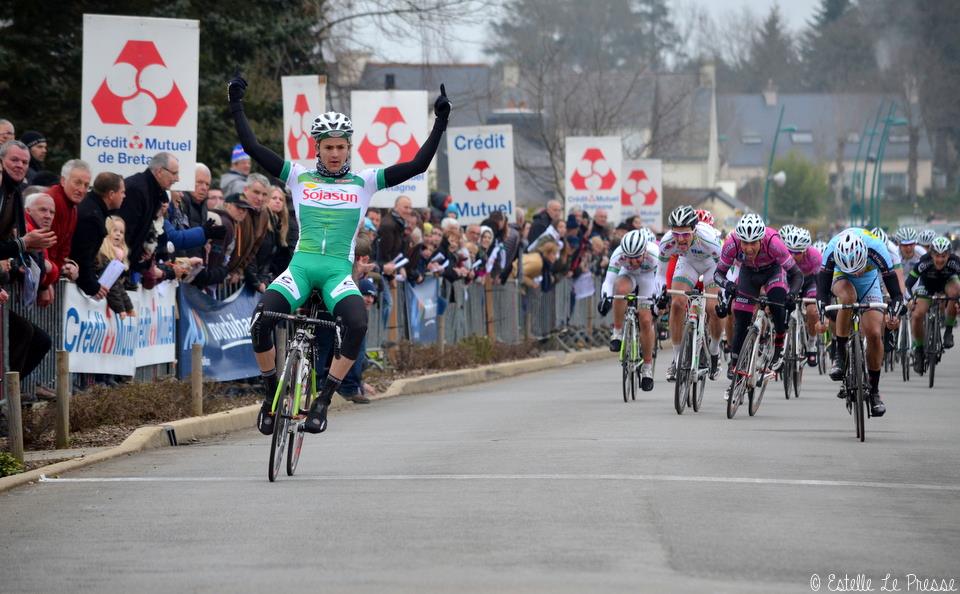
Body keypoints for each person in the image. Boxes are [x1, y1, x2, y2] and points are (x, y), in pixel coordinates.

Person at [229, 70, 451, 435]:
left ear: (349, 147)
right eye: (328, 147)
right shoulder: (298, 176)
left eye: (340, 146)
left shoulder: (364, 181)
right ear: (317, 148)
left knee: (357, 324)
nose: (334, 153)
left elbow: (417, 165)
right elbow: (253, 149)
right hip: (300, 269)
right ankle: (270, 396)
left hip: (336, 274)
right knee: (261, 319)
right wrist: (236, 102)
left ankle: (324, 400)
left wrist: (439, 121)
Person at [816, 228, 903, 417]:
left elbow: (896, 294)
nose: (855, 274)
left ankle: (874, 391)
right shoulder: (831, 251)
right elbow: (821, 293)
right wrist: (821, 316)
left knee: (873, 333)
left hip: (869, 280)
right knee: (848, 297)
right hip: (841, 277)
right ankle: (839, 355)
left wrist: (893, 315)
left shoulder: (878, 249)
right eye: (852, 271)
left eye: (857, 269)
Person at [715, 213, 802, 392]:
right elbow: (718, 274)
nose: (748, 248)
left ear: (761, 240)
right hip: (748, 273)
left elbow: (797, 274)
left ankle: (779, 343)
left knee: (778, 301)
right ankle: (736, 364)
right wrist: (728, 285)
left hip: (773, 272)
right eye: (744, 243)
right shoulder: (731, 243)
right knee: (741, 316)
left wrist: (792, 294)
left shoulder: (774, 242)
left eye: (753, 243)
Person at [0, 141, 56, 387]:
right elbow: (16, 244)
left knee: (38, 339)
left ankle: (8, 398)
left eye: (24, 161)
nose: (20, 165)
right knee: (24, 334)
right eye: (15, 160)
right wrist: (23, 245)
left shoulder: (15, 192)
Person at [657, 205, 723, 381]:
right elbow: (660, 274)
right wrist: (661, 292)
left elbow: (725, 269)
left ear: (694, 230)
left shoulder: (708, 239)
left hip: (712, 265)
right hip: (688, 263)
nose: (681, 240)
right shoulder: (666, 242)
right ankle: (677, 359)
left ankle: (715, 352)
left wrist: (725, 291)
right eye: (676, 234)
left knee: (713, 308)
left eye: (686, 234)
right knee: (677, 303)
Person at [597, 229, 660, 391]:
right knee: (620, 289)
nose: (632, 262)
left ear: (644, 252)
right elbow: (609, 281)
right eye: (629, 258)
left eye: (636, 257)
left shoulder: (654, 254)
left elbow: (659, 281)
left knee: (646, 320)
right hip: (628, 276)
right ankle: (617, 332)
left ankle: (647, 367)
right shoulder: (618, 255)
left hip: (647, 279)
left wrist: (658, 299)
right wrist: (605, 297)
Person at [907, 236, 960, 371]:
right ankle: (919, 350)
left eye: (944, 256)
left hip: (947, 283)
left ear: (949, 254)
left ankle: (948, 332)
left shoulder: (955, 262)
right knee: (917, 315)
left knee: (955, 293)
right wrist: (909, 300)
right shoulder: (924, 262)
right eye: (937, 255)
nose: (940, 259)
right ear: (931, 254)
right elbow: (908, 284)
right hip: (927, 286)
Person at [71, 172, 126, 299]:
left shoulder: (94, 209)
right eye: (122, 192)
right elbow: (83, 256)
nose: (125, 196)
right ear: (111, 194)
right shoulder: (92, 217)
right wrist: (93, 287)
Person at [780, 226, 822, 366]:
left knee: (812, 310)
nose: (792, 256)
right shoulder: (783, 254)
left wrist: (821, 303)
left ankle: (811, 344)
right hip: (790, 280)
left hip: (809, 282)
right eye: (790, 251)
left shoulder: (815, 256)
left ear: (805, 251)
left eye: (796, 252)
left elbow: (820, 282)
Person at [48, 159, 92, 276]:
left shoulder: (73, 208)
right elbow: (45, 248)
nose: (82, 189)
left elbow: (63, 250)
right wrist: (46, 285)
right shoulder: (52, 202)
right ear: (63, 181)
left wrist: (67, 265)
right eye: (77, 183)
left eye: (86, 185)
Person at [94, 216, 136, 318]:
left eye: (121, 232)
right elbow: (110, 285)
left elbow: (117, 285)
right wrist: (121, 309)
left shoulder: (115, 258)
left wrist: (128, 307)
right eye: (115, 230)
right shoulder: (102, 256)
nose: (118, 234)